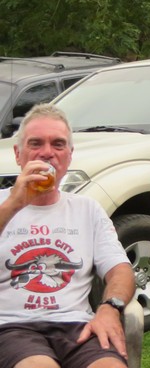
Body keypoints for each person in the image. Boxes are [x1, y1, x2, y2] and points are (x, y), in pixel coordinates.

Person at [0, 104, 135, 368]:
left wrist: (110, 307)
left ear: (70, 156)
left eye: (58, 144)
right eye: (35, 143)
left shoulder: (87, 209)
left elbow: (120, 269)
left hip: (76, 326)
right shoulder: (4, 204)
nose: (47, 152)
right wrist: (15, 202)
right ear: (18, 154)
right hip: (11, 327)